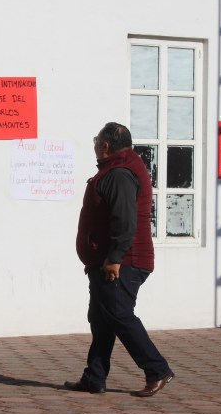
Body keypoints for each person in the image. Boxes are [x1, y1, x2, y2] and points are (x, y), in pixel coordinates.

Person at [65, 122, 174, 396]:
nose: (94, 144)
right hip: (109, 261)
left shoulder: (120, 174)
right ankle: (94, 377)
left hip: (123, 262)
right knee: (100, 318)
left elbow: (124, 221)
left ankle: (157, 370)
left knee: (119, 315)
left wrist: (114, 258)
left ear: (104, 145)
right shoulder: (116, 169)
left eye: (95, 139)